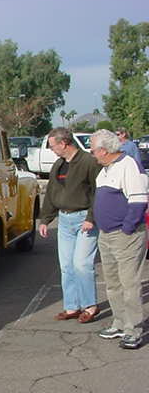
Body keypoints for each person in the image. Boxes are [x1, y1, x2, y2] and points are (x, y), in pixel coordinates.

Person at [91, 129, 148, 349]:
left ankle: (133, 329)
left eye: (94, 149)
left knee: (129, 284)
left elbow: (138, 201)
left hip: (126, 236)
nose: (92, 153)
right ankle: (120, 322)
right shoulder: (105, 169)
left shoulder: (129, 165)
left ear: (104, 150)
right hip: (106, 235)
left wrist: (126, 228)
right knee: (113, 284)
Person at [39, 127, 102, 322]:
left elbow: (99, 192)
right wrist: (45, 219)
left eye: (52, 146)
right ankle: (72, 306)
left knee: (81, 264)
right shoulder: (58, 165)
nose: (51, 149)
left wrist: (91, 217)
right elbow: (51, 193)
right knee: (66, 266)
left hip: (84, 219)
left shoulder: (89, 163)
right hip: (64, 220)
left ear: (63, 143)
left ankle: (90, 306)